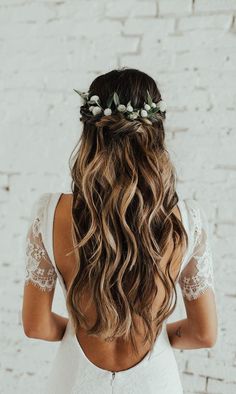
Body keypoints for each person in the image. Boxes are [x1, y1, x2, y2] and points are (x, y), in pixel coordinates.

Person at [21, 67, 217, 394]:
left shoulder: (51, 213)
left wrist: (84, 332)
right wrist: (151, 335)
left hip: (74, 382)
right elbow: (204, 333)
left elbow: (36, 326)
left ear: (90, 133)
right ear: (155, 132)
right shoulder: (187, 219)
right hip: (156, 383)